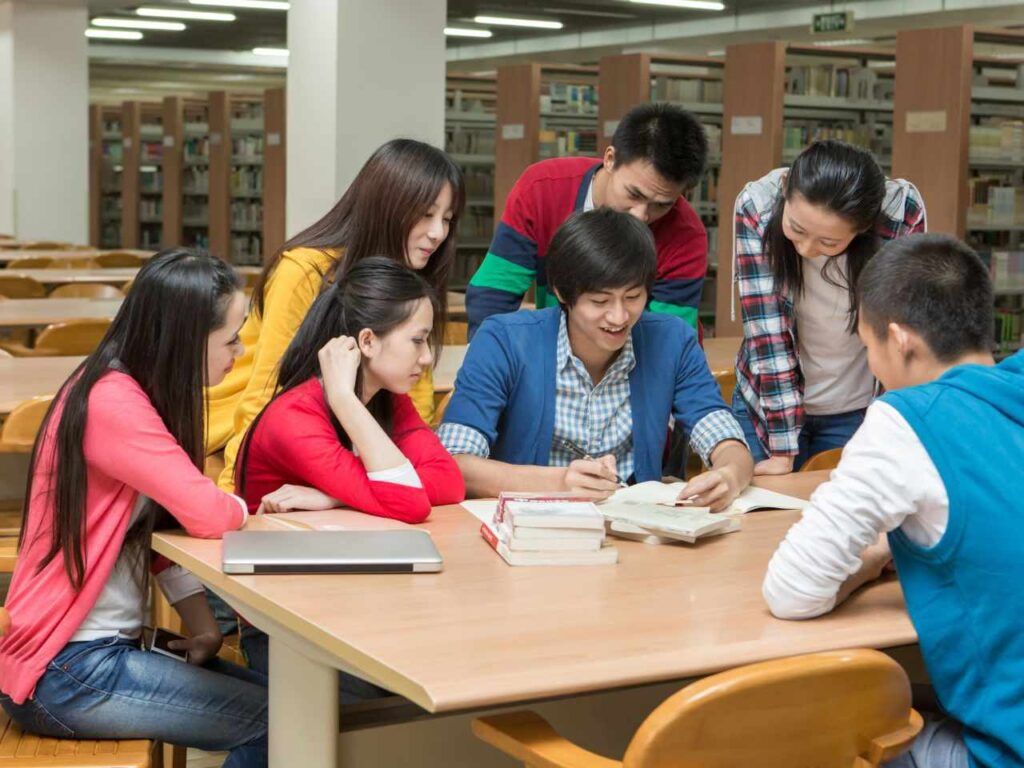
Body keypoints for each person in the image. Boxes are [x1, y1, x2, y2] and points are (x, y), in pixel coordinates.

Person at [762, 233, 1022, 768]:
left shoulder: (908, 421)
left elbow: (791, 592)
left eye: (867, 345)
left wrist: (876, 558)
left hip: (1004, 752)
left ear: (900, 339)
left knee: (818, 726)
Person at [0, 250, 267, 768]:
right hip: (67, 669)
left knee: (282, 705)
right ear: (187, 340)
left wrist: (202, 626)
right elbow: (209, 513)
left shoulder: (127, 389)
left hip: (93, 656)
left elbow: (157, 527)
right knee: (275, 722)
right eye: (230, 339)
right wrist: (239, 503)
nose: (239, 353)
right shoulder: (113, 401)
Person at [233, 257, 464, 684]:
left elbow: (448, 482)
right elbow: (410, 502)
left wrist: (335, 495)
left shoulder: (388, 397)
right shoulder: (296, 418)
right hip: (279, 620)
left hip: (353, 592)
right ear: (368, 342)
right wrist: (343, 397)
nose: (428, 358)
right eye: (418, 341)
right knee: (389, 696)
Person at [440, 208, 753, 510]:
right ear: (563, 292)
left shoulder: (672, 341)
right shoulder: (504, 341)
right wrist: (559, 484)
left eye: (633, 297)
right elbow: (455, 463)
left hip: (634, 534)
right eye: (599, 300)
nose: (619, 316)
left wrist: (729, 474)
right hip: (530, 532)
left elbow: (722, 435)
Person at [207, 138, 465, 492]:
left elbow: (413, 401)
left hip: (333, 449)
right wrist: (237, 496)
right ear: (387, 207)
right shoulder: (304, 271)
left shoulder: (409, 281)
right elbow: (265, 395)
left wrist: (405, 467)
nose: (438, 233)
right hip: (235, 438)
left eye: (447, 219)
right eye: (426, 214)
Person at [732, 139, 926, 473]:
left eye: (829, 242)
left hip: (856, 412)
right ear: (785, 191)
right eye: (796, 228)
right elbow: (768, 335)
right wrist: (781, 452)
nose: (807, 249)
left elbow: (901, 330)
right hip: (766, 410)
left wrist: (889, 430)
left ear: (862, 229)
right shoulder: (758, 206)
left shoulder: (899, 213)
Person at [466, 102, 709, 338]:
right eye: (634, 194)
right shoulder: (541, 189)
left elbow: (667, 339)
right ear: (610, 159)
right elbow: (493, 292)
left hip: (639, 368)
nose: (641, 216)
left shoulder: (687, 235)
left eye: (662, 205)